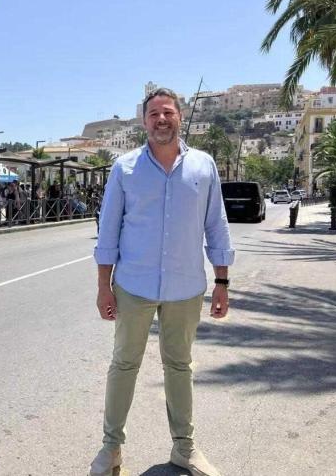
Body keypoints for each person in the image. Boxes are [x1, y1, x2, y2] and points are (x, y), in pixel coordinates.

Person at [90, 88, 234, 476]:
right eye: (154, 114)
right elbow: (109, 230)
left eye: (168, 112)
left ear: (179, 117)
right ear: (144, 122)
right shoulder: (125, 169)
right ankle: (111, 448)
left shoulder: (203, 166)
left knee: (180, 365)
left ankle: (184, 448)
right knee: (124, 364)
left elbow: (216, 226)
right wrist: (104, 286)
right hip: (133, 285)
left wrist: (222, 281)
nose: (161, 119)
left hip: (185, 286)